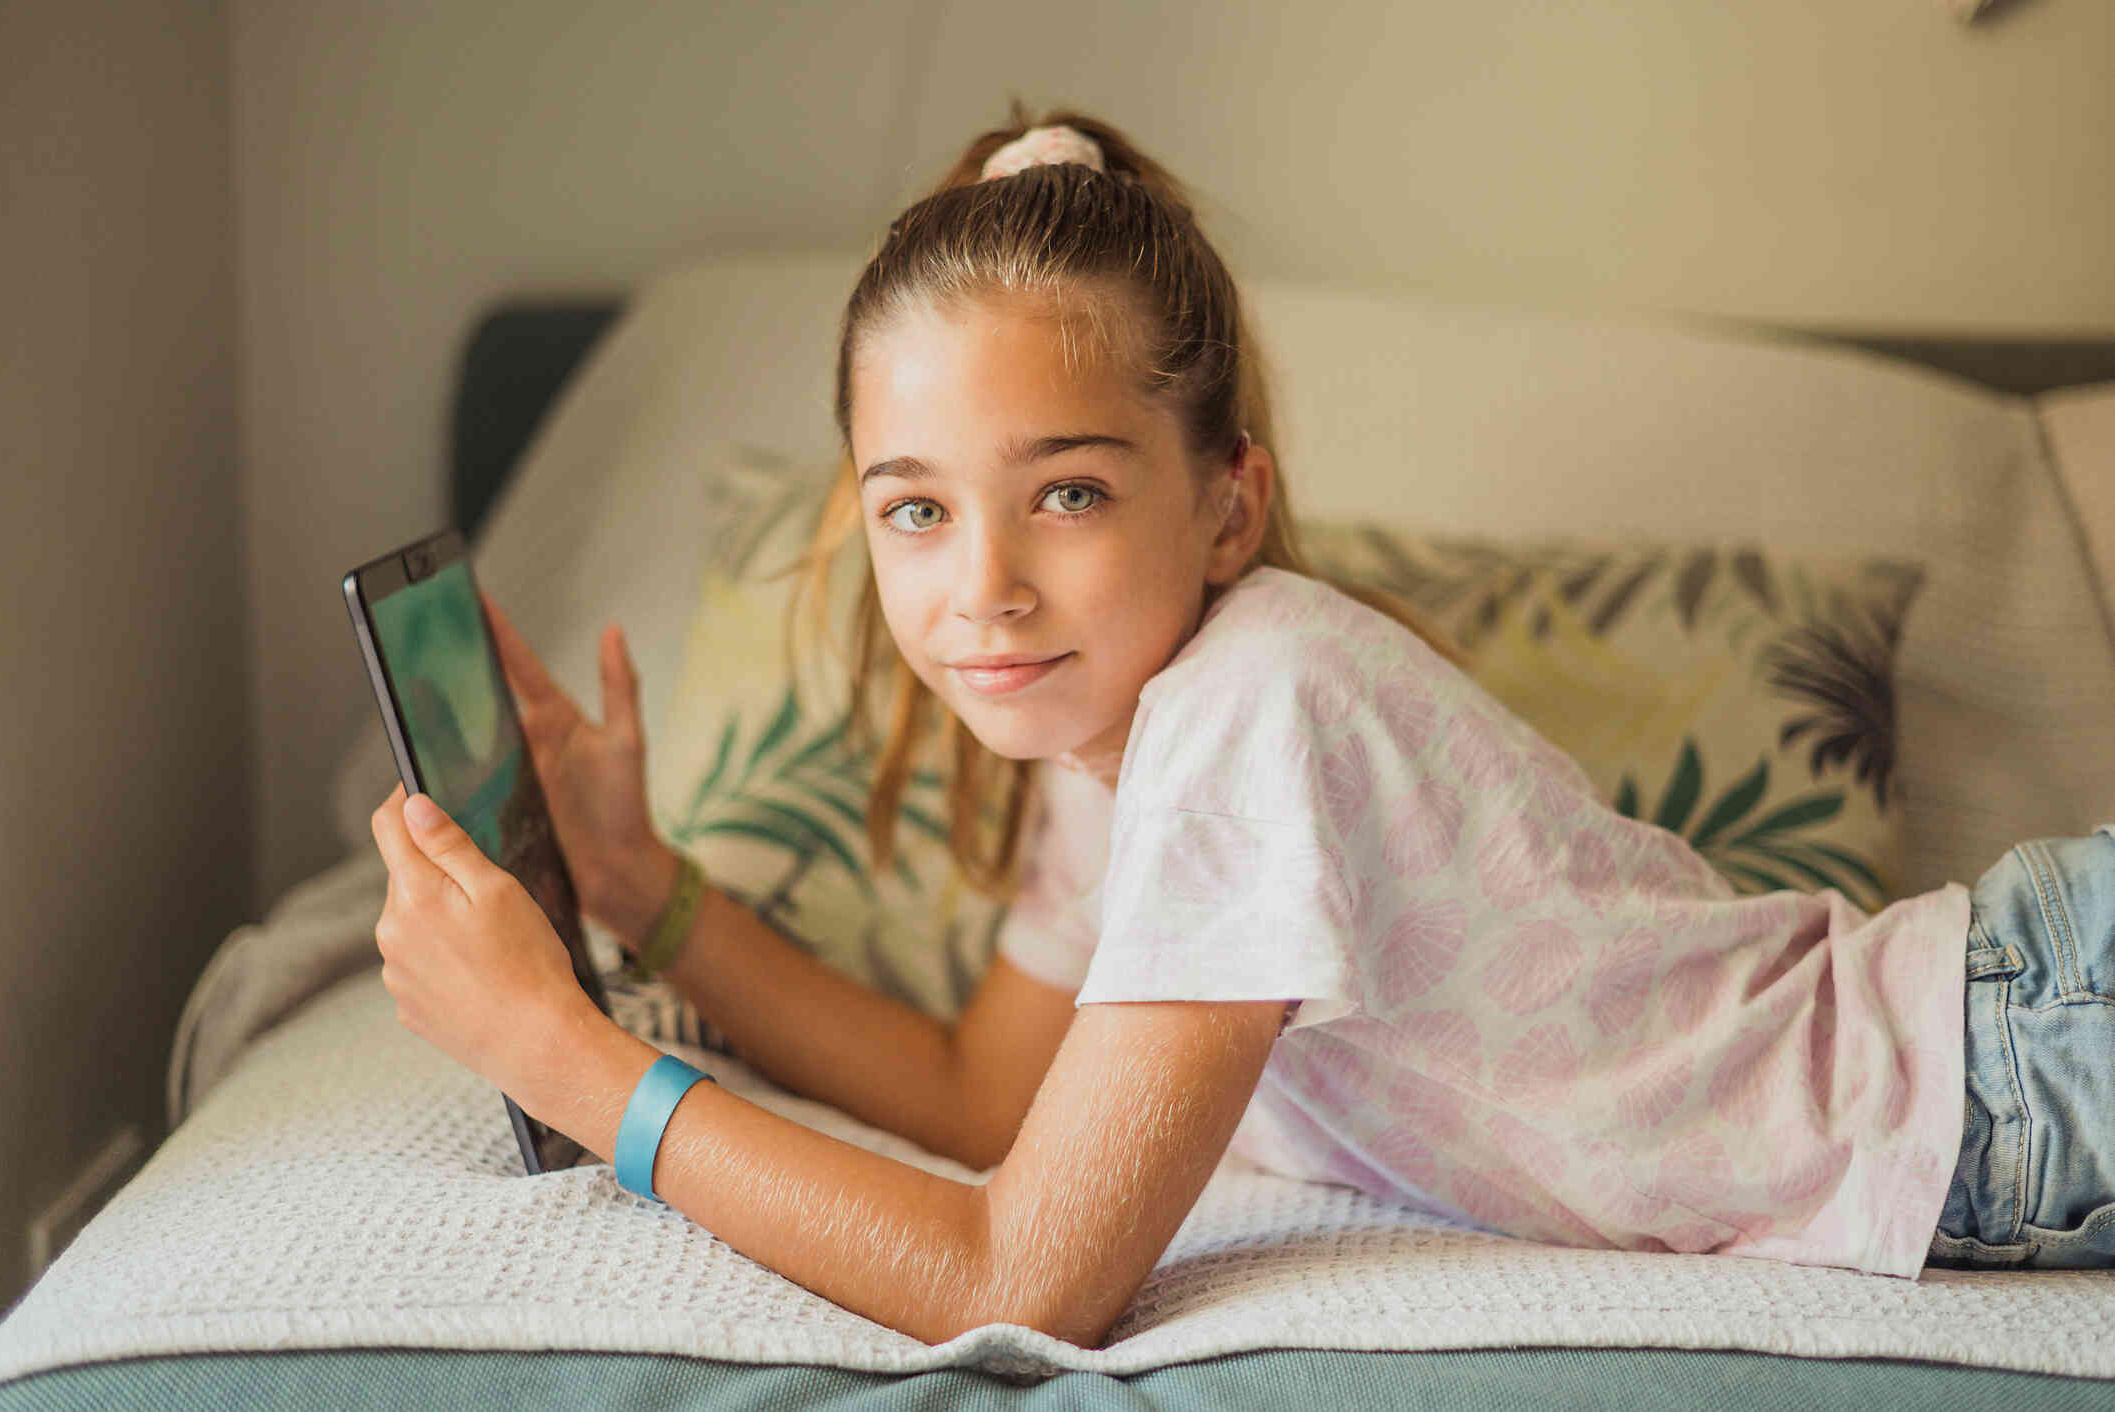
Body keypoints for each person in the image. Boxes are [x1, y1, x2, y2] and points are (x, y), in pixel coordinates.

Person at [366, 106, 2115, 1349]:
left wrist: (574, 1071)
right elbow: (991, 1103)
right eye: (915, 509)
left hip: (2019, 1054)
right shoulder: (1104, 738)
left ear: (1222, 505)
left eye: (1062, 492)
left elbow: (1014, 1278)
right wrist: (643, 891)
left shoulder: (1249, 705)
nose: (980, 587)